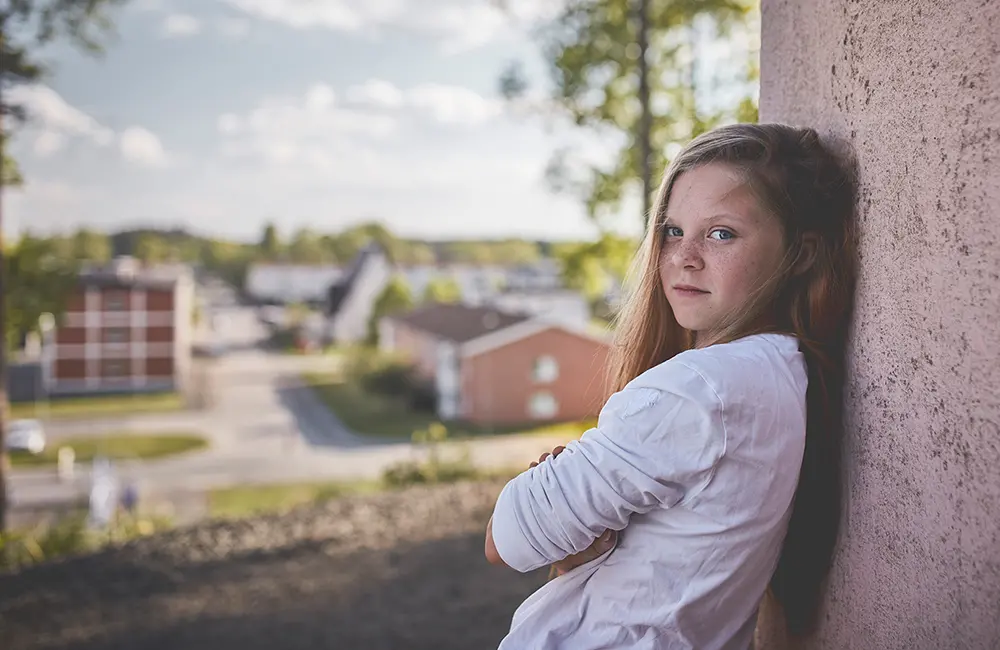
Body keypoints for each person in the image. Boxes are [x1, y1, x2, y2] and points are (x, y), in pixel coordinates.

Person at [485, 123, 856, 649]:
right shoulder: (779, 372)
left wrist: (560, 511)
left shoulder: (702, 389)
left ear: (801, 254)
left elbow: (504, 542)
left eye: (722, 233)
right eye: (674, 230)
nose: (684, 256)